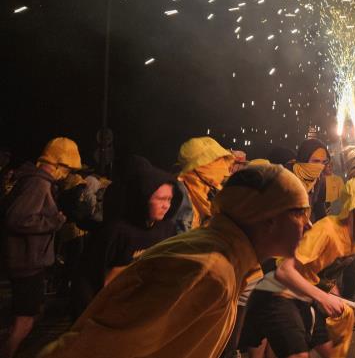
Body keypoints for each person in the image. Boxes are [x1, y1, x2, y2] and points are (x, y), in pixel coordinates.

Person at [39, 163, 312, 358]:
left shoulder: (232, 264)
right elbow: (96, 346)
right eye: (300, 212)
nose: (309, 224)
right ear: (269, 219)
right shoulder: (207, 270)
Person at [240, 175, 355, 358]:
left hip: (303, 296)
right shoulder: (327, 230)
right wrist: (323, 298)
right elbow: (284, 270)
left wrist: (336, 298)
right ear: (353, 206)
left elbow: (323, 272)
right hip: (277, 292)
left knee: (333, 353)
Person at [70, 156, 182, 316]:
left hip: (145, 313)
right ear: (144, 198)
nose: (166, 205)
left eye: (170, 199)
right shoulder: (116, 232)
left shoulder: (167, 229)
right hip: (112, 312)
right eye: (161, 199)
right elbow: (87, 279)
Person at [1, 137, 79, 358]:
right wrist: (54, 222)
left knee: (30, 314)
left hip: (26, 259)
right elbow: (17, 218)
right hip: (27, 261)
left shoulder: (33, 180)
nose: (67, 174)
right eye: (67, 168)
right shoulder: (39, 183)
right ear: (57, 164)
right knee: (24, 320)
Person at [175, 136, 234, 231]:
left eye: (223, 160)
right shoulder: (177, 197)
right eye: (216, 161)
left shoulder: (214, 190)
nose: (224, 168)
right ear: (197, 167)